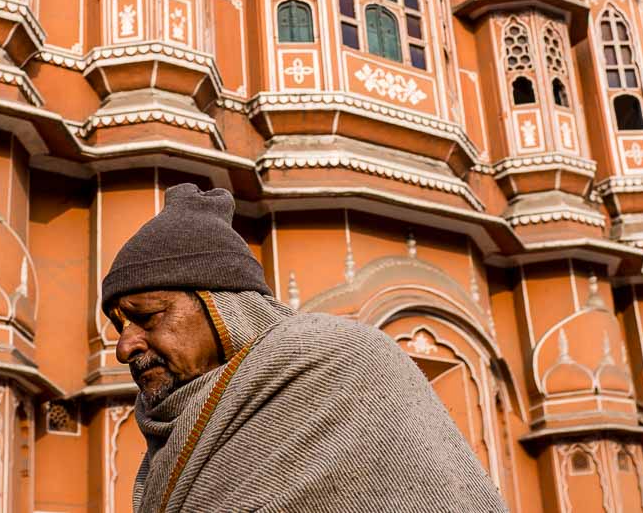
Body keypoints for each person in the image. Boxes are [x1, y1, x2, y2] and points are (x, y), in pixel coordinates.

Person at [101, 182, 509, 513]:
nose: (124, 348)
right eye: (120, 326)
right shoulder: (174, 425)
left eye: (148, 316)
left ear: (221, 306)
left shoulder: (341, 363)